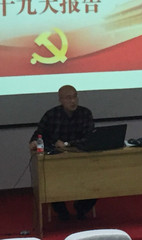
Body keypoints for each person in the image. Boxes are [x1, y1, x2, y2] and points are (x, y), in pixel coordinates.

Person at [29, 84, 97, 220]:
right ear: (60, 100)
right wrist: (35, 142)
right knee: (50, 178)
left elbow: (90, 138)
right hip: (57, 161)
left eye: (75, 97)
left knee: (98, 178)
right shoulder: (51, 115)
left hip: (81, 159)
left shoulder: (85, 113)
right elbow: (38, 135)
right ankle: (62, 212)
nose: (73, 101)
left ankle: (81, 208)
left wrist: (67, 144)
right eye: (68, 98)